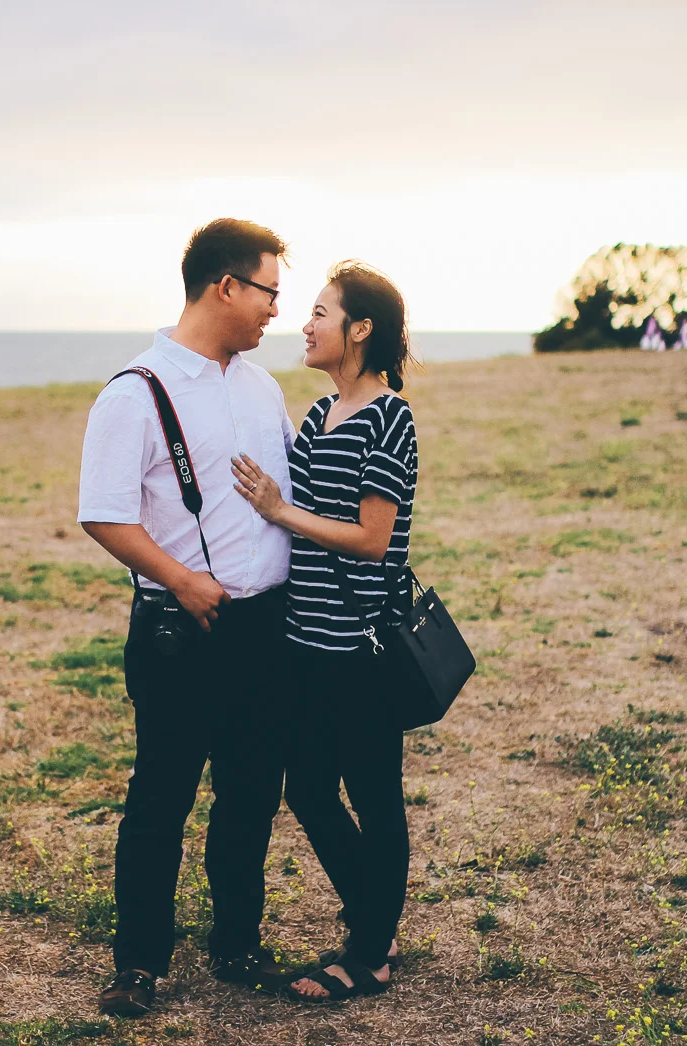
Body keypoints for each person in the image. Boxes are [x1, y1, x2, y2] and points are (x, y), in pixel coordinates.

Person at [78, 219, 298, 1017]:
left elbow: (283, 501)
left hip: (266, 630)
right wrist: (182, 579)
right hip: (182, 631)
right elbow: (103, 514)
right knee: (161, 799)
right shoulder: (135, 391)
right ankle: (138, 963)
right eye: (270, 289)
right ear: (227, 286)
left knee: (249, 796)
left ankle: (237, 945)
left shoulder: (262, 386)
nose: (279, 308)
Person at [231, 260, 418, 1002]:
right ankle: (377, 920)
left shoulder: (389, 418)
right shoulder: (316, 414)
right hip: (303, 645)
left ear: (360, 329)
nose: (303, 325)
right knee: (307, 789)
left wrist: (279, 511)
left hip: (360, 651)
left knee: (376, 799)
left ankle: (369, 955)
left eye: (319, 312)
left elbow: (373, 537)